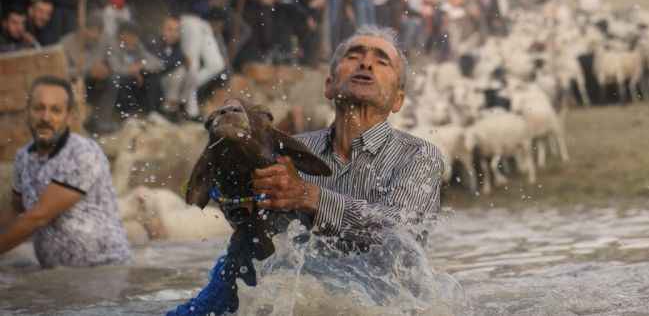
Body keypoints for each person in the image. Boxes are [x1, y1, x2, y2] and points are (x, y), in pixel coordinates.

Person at [168, 26, 444, 315]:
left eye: (381, 60)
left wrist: (309, 196)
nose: (365, 63)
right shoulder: (292, 149)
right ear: (329, 85)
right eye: (354, 55)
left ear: (398, 100)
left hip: (379, 303)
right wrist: (237, 186)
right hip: (291, 298)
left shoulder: (418, 155)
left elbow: (402, 232)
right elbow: (252, 225)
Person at [0, 76, 132, 268]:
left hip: (104, 272)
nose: (45, 117)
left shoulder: (83, 153)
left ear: (69, 116)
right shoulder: (23, 157)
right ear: (27, 112)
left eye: (55, 110)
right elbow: (16, 210)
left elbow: (37, 217)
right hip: (56, 274)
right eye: (39, 108)